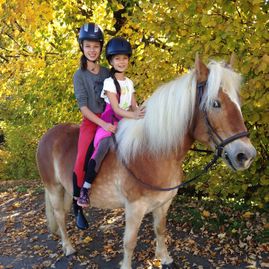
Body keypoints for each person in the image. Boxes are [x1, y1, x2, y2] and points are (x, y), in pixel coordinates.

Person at [77, 37, 145, 207]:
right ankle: (85, 188)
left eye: (124, 58)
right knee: (103, 146)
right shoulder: (109, 82)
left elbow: (134, 106)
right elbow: (115, 109)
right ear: (111, 61)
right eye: (117, 59)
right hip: (110, 120)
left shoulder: (129, 83)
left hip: (126, 120)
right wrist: (134, 116)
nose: (121, 62)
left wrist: (142, 112)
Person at [72, 23, 117, 230]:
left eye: (96, 46)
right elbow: (83, 108)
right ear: (82, 47)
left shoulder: (107, 72)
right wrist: (104, 124)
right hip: (92, 120)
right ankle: (77, 204)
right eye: (88, 46)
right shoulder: (79, 75)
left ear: (100, 48)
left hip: (109, 115)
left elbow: (117, 96)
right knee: (82, 157)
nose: (92, 50)